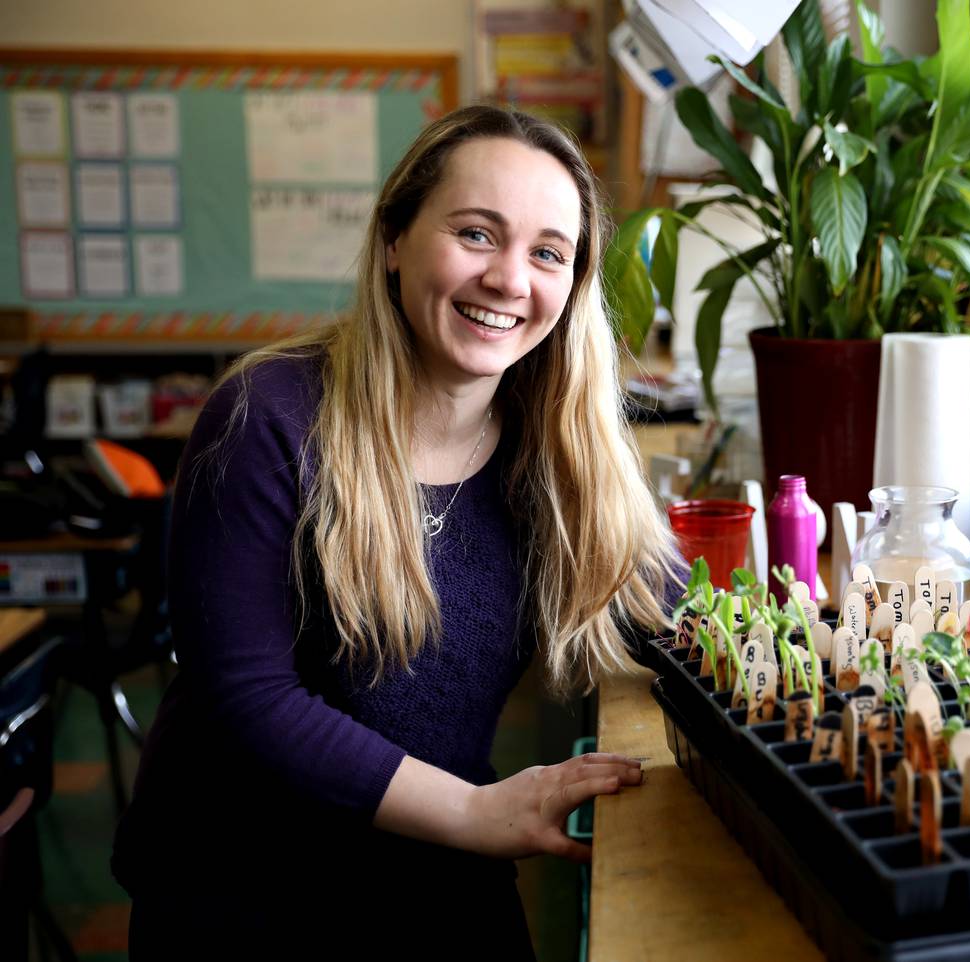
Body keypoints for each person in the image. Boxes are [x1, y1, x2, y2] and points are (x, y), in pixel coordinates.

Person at [112, 105, 680, 959]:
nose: (510, 279)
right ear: (394, 238)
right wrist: (479, 812)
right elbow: (249, 700)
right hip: (244, 888)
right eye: (477, 233)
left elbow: (678, 610)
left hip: (438, 863)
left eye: (548, 254)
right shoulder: (268, 416)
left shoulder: (558, 447)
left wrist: (850, 645)